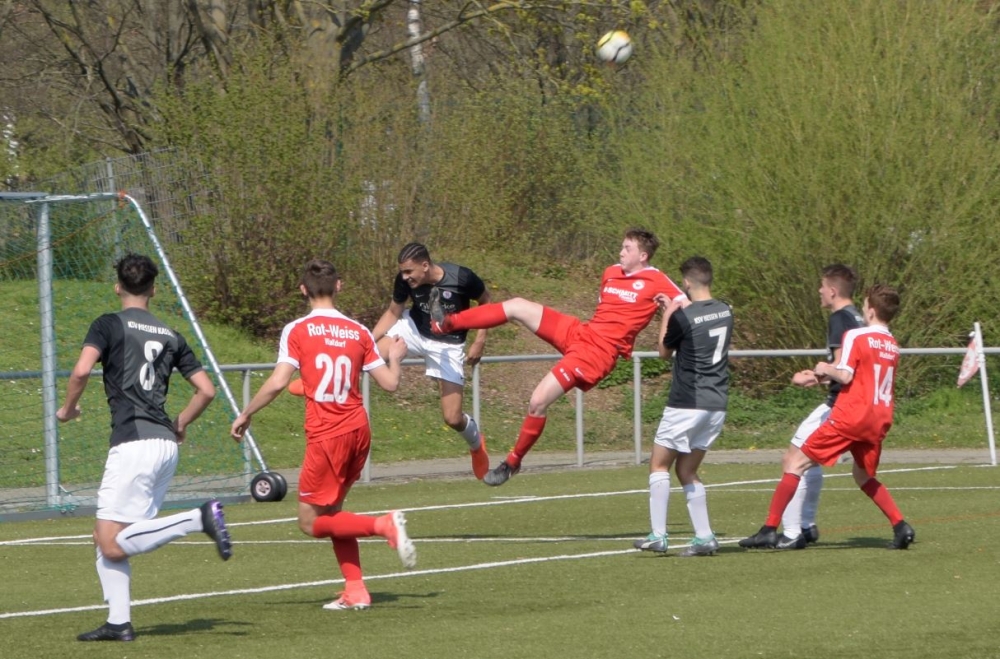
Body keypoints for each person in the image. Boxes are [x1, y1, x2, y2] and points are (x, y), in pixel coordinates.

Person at [55, 253, 230, 643]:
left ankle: (198, 518)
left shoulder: (108, 324)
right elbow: (206, 391)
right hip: (164, 443)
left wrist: (67, 410)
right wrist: (181, 423)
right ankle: (119, 622)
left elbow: (82, 370)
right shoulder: (171, 335)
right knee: (110, 535)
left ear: (118, 286)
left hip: (134, 443)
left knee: (111, 542)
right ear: (153, 289)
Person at [431, 228, 688, 486]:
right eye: (621, 246)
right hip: (581, 333)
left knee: (537, 401)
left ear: (643, 255)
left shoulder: (657, 280)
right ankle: (447, 323)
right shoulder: (610, 272)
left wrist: (670, 311)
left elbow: (688, 306)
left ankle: (513, 462)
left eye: (627, 249)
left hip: (597, 353)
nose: (621, 252)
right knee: (517, 305)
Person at [231, 259, 417, 611]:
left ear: (303, 289)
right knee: (333, 514)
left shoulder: (297, 330)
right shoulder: (359, 331)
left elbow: (279, 381)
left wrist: (246, 412)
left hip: (327, 434)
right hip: (358, 430)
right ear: (339, 286)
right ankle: (356, 589)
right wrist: (395, 356)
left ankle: (383, 525)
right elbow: (390, 384)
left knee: (309, 521)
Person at [739, 284, 916, 551]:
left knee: (795, 464)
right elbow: (862, 378)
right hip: (878, 419)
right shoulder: (892, 345)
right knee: (863, 476)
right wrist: (821, 377)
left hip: (851, 416)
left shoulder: (856, 335)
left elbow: (844, 375)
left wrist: (823, 367)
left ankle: (769, 529)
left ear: (870, 310)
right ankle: (901, 526)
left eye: (865, 304)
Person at [634, 257, 733, 557]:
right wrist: (682, 310)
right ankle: (704, 537)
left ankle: (658, 535)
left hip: (688, 402)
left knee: (658, 465)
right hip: (716, 404)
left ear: (687, 283)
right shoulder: (726, 310)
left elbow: (664, 352)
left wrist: (668, 313)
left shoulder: (682, 317)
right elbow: (703, 320)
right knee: (687, 469)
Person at [765, 264, 866, 550]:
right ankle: (807, 525)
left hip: (838, 404)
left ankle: (792, 531)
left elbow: (840, 365)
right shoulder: (858, 317)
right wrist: (818, 377)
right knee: (810, 459)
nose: (819, 291)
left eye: (822, 286)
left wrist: (811, 376)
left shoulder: (839, 318)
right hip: (855, 402)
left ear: (832, 291)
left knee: (793, 459)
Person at [370, 242, 492, 480]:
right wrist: (366, 341)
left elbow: (486, 301)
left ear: (425, 266)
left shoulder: (461, 277)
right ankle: (314, 384)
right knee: (367, 354)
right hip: (414, 329)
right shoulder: (405, 280)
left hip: (448, 344)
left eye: (409, 271)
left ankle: (477, 444)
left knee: (452, 418)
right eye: (402, 272)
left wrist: (480, 340)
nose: (404, 277)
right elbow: (393, 312)